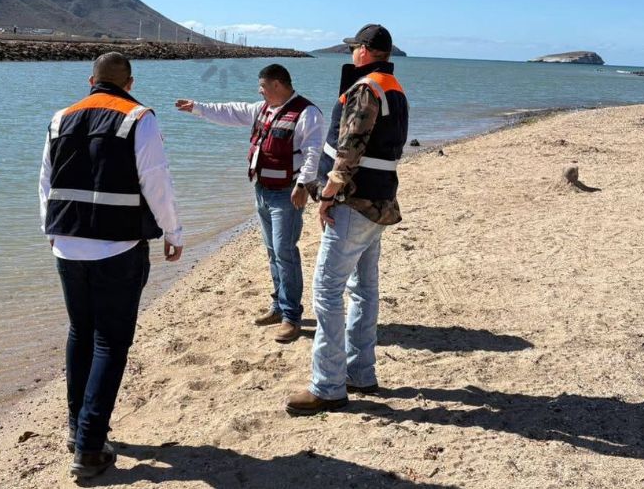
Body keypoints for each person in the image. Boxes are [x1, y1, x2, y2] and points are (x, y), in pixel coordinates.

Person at [40, 52, 184, 479]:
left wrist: (50, 230)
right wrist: (173, 232)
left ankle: (77, 429)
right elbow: (156, 179)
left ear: (91, 80)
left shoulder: (60, 117)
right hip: (116, 247)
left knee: (80, 333)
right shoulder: (138, 117)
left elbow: (45, 180)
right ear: (130, 82)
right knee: (109, 342)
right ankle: (88, 446)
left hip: (66, 244)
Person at [286, 24, 408, 416]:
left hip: (353, 203)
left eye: (355, 47)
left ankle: (328, 386)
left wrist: (328, 193)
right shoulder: (394, 87)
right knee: (364, 289)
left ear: (367, 50)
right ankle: (360, 372)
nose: (352, 52)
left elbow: (350, 145)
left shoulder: (367, 88)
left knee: (327, 290)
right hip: (379, 201)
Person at [174, 63, 323, 343]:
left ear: (277, 85)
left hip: (287, 193)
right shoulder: (262, 109)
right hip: (262, 190)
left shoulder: (307, 113)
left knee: (284, 252)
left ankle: (292, 317)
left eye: (263, 87)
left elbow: (314, 152)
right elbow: (231, 111)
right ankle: (278, 307)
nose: (260, 92)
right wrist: (197, 107)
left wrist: (303, 184)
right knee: (272, 251)